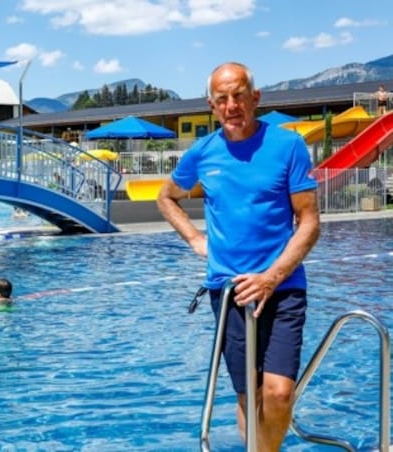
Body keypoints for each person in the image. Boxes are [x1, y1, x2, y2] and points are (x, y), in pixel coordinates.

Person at [156, 62, 320, 451]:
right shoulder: (202, 153)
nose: (232, 105)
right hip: (229, 291)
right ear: (212, 106)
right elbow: (167, 197)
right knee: (248, 394)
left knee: (278, 393)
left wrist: (272, 277)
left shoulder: (287, 146)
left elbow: (310, 223)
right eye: (222, 99)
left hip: (282, 286)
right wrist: (196, 239)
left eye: (239, 95)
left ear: (255, 98)